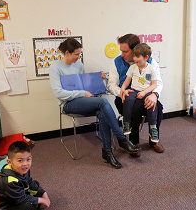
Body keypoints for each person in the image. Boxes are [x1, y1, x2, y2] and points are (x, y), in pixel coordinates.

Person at [49, 37, 140, 169]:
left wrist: (99, 78)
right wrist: (81, 93)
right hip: (68, 104)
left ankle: (107, 152)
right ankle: (122, 139)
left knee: (102, 112)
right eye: (76, 54)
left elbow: (84, 85)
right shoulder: (55, 68)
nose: (78, 57)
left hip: (83, 101)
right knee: (103, 103)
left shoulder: (79, 65)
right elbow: (59, 93)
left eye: (80, 54)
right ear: (67, 53)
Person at [107, 34, 164, 156]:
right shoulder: (117, 62)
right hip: (125, 97)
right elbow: (111, 85)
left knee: (158, 107)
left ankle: (154, 140)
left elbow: (157, 82)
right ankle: (132, 143)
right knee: (134, 109)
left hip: (145, 95)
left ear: (135, 50)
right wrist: (121, 91)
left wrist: (154, 95)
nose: (122, 54)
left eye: (125, 51)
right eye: (121, 51)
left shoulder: (150, 62)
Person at [120, 43, 158, 144]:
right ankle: (126, 123)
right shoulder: (133, 68)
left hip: (146, 92)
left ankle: (153, 128)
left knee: (152, 105)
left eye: (137, 56)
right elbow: (127, 81)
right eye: (134, 56)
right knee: (128, 98)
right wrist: (123, 89)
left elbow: (154, 85)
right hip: (134, 91)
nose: (134, 58)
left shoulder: (151, 69)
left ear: (146, 57)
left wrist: (145, 92)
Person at [0, 141, 51, 210]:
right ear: (9, 162)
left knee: (36, 190)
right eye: (20, 160)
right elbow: (21, 199)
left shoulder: (23, 169)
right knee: (27, 206)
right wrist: (40, 200)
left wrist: (43, 194)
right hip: (6, 205)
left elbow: (29, 183)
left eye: (28, 159)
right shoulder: (9, 181)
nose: (25, 164)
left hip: (17, 196)